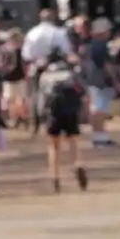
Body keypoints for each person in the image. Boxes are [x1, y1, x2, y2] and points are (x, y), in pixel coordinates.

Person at [41, 52, 87, 191]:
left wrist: (41, 117)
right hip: (70, 111)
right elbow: (82, 91)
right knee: (73, 140)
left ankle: (55, 178)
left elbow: (41, 97)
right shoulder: (70, 73)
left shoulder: (46, 75)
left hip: (53, 112)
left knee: (54, 146)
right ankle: (78, 164)